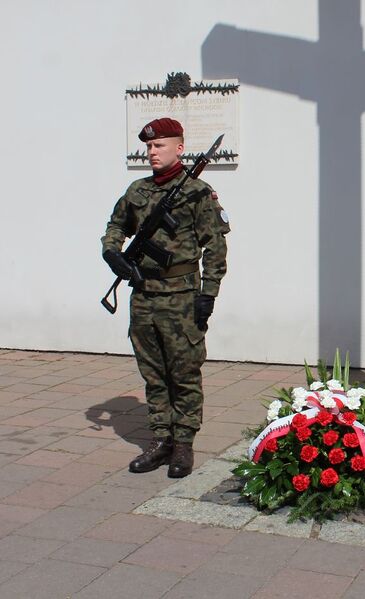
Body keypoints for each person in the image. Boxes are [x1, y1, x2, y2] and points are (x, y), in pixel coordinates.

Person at [101, 117, 230, 478]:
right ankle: (161, 440)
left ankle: (184, 445)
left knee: (184, 373)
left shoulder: (198, 193)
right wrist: (112, 253)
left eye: (159, 146)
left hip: (181, 297)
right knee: (154, 373)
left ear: (180, 148)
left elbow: (215, 248)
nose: (152, 152)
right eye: (148, 147)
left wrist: (208, 295)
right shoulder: (137, 191)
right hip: (143, 294)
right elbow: (115, 227)